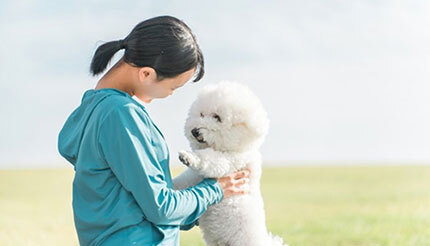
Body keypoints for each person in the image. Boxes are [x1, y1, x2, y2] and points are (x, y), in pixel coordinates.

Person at [57, 16, 250, 246]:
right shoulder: (121, 114)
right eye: (172, 87)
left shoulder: (94, 110)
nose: (170, 94)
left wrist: (208, 203)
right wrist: (216, 190)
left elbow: (138, 206)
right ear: (146, 74)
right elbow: (162, 207)